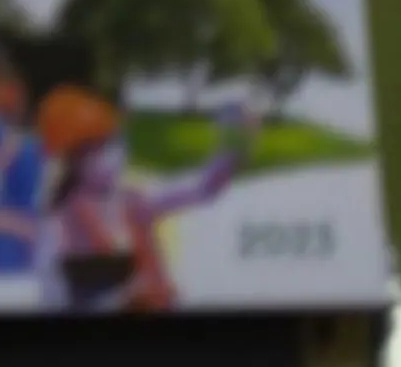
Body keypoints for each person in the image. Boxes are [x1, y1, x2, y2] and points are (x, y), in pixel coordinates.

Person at [33, 86, 255, 312]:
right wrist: (128, 296)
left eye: (114, 141)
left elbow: (204, 187)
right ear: (75, 158)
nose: (114, 153)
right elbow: (55, 295)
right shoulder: (59, 217)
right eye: (98, 146)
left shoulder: (133, 199)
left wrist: (234, 142)